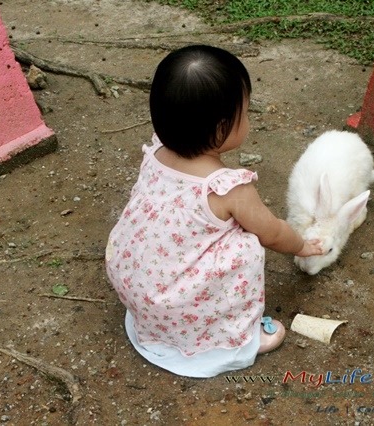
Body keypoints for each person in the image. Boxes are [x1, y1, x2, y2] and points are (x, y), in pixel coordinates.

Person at [105, 45, 322, 378]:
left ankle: (167, 325)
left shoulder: (156, 154)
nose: (248, 119)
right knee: (246, 244)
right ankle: (234, 339)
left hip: (141, 291)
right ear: (222, 128)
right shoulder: (227, 187)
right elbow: (272, 233)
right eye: (246, 113)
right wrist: (302, 245)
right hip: (178, 307)